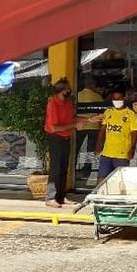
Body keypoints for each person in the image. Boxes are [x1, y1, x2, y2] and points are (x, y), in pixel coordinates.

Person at [45, 78, 102, 208]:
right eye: (67, 90)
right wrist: (74, 126)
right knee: (56, 168)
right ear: (61, 91)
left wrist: (89, 119)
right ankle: (50, 197)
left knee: (64, 168)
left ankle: (60, 196)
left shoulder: (68, 103)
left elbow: (72, 118)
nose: (69, 92)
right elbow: (54, 128)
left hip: (66, 138)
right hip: (56, 138)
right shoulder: (53, 104)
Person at [95, 91, 137, 183]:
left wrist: (132, 148)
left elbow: (134, 132)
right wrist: (98, 146)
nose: (116, 101)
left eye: (119, 98)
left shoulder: (130, 114)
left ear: (124, 99)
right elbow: (102, 130)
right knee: (101, 180)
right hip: (106, 153)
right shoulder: (108, 112)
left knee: (120, 181)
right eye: (114, 99)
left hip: (121, 154)